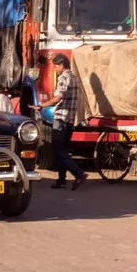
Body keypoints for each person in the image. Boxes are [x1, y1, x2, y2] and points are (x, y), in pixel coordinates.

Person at [34, 54, 85, 190]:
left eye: (56, 66)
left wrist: (42, 105)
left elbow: (59, 97)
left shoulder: (63, 77)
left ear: (62, 64)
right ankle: (61, 180)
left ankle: (78, 173)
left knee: (57, 147)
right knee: (63, 150)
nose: (55, 69)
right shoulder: (74, 77)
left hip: (61, 118)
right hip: (70, 119)